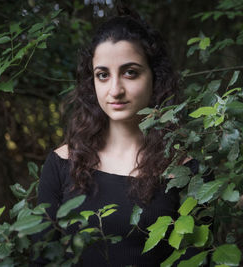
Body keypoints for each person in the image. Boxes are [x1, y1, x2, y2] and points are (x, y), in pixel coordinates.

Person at [32, 11, 199, 267]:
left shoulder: (186, 171)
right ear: (92, 82)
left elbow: (197, 260)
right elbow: (41, 258)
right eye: (103, 75)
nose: (115, 90)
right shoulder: (63, 162)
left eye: (130, 73)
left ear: (155, 77)